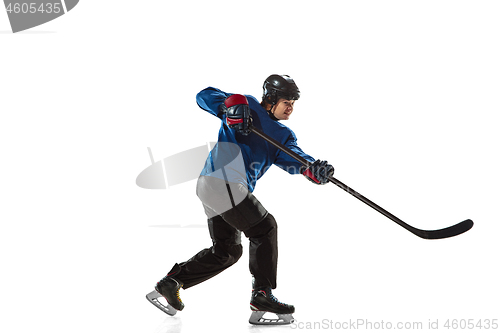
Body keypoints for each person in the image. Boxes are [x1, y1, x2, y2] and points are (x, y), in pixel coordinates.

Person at [149, 74, 334, 325]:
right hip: (219, 181)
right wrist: (233, 105)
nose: (290, 107)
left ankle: (172, 282)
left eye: (293, 103)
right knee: (265, 227)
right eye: (286, 102)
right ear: (270, 99)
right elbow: (204, 96)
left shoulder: (283, 136)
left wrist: (313, 169)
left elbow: (298, 159)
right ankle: (262, 295)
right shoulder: (246, 106)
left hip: (218, 189)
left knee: (227, 251)